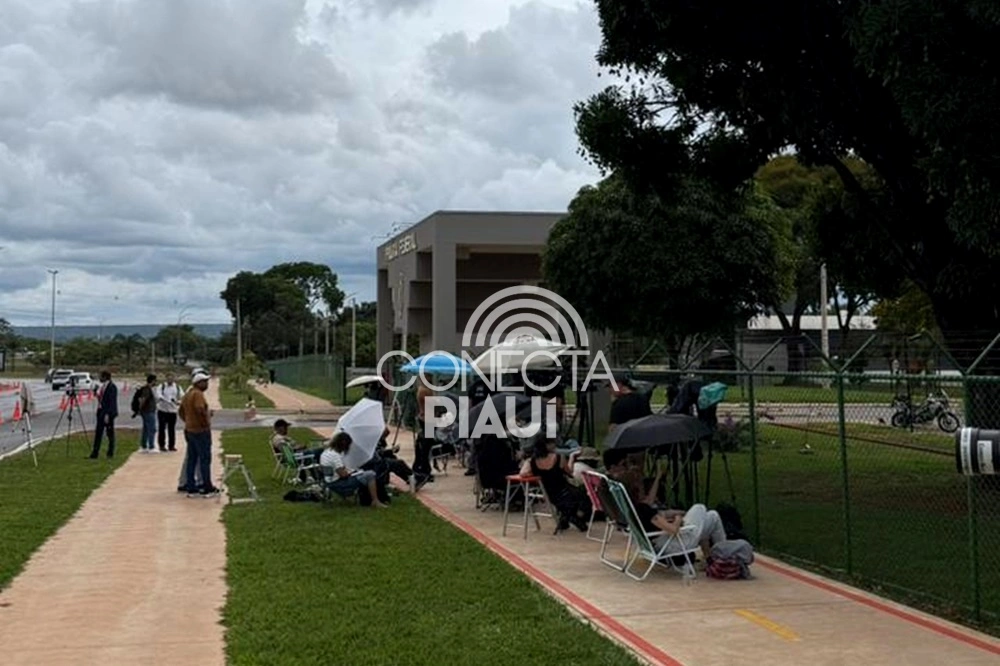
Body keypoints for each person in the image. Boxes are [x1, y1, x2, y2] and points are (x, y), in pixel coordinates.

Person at [520, 438, 590, 532]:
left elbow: (523, 473)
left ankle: (566, 518)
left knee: (570, 500)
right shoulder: (558, 457)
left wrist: (535, 473)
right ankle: (572, 516)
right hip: (563, 490)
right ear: (546, 445)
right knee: (584, 493)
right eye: (552, 443)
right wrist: (572, 457)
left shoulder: (532, 461)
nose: (555, 445)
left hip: (548, 493)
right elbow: (570, 472)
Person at [320, 432, 388, 508]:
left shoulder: (326, 452)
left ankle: (369, 498)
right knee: (370, 474)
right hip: (339, 484)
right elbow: (343, 475)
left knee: (361, 472)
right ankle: (375, 501)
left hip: (328, 481)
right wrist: (351, 472)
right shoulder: (335, 456)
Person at [178, 371, 218, 496]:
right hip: (201, 432)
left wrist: (189, 421)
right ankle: (207, 486)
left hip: (190, 430)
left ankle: (191, 486)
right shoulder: (198, 394)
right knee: (205, 459)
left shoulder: (188, 394)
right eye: (205, 381)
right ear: (198, 383)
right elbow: (200, 408)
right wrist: (205, 422)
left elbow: (181, 411)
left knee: (192, 459)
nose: (207, 384)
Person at [644, 503, 728, 559]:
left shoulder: (637, 513)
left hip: (666, 543)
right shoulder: (649, 514)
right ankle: (725, 556)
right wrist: (678, 519)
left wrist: (683, 514)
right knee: (699, 507)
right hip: (677, 545)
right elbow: (674, 530)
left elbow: (666, 514)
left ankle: (712, 558)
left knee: (713, 515)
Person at [89, 370, 118, 459]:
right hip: (101, 411)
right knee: (98, 433)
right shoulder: (103, 386)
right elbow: (103, 400)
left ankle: (110, 453)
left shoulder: (112, 387)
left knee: (110, 433)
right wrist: (96, 394)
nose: (99, 378)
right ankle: (95, 453)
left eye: (100, 376)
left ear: (105, 377)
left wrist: (108, 415)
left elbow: (111, 402)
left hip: (108, 413)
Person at [155, 373, 183, 451]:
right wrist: (164, 399)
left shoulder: (177, 387)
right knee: (162, 428)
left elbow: (182, 396)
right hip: (162, 410)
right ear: (166, 379)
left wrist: (178, 402)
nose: (170, 380)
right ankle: (162, 445)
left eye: (172, 378)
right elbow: (158, 395)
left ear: (174, 379)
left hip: (172, 411)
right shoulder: (162, 387)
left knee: (172, 429)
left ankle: (171, 445)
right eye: (168, 378)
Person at [133, 374, 158, 453]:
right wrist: (140, 409)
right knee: (152, 428)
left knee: (146, 429)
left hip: (147, 411)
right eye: (155, 381)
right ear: (152, 381)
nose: (156, 382)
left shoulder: (147, 388)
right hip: (148, 411)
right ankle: (151, 446)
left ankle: (144, 446)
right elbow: (143, 399)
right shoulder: (147, 389)